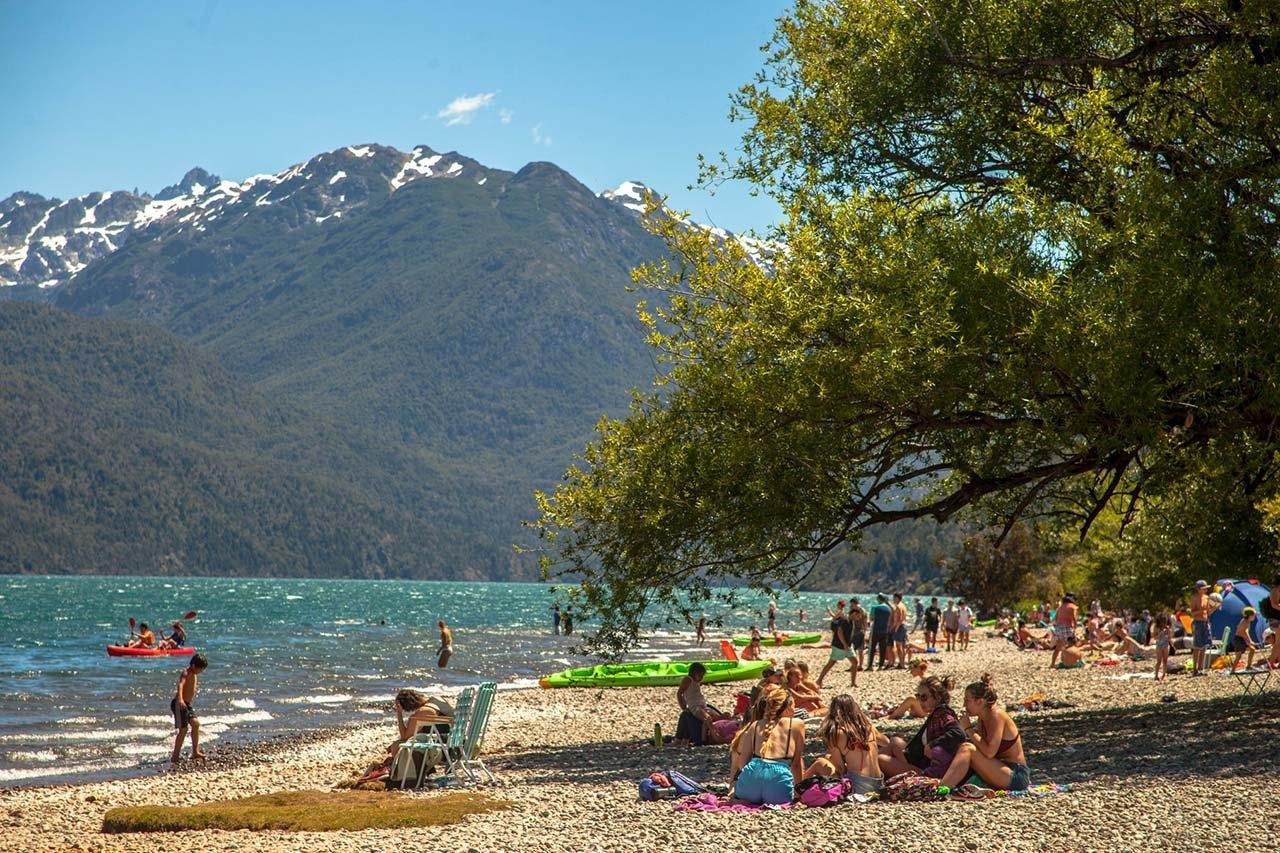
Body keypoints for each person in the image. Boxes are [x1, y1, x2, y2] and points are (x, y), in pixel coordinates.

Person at [938, 674, 1031, 791]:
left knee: (967, 749)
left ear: (980, 701)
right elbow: (981, 747)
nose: (964, 705)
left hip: (1015, 774)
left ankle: (941, 789)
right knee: (962, 747)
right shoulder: (982, 718)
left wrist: (968, 729)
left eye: (967, 700)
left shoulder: (997, 716)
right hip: (998, 768)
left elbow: (989, 752)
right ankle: (945, 784)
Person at [728, 685, 806, 805]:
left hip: (750, 783)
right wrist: (799, 794)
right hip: (777, 786)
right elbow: (796, 765)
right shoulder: (796, 724)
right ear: (788, 707)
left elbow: (742, 763)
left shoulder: (755, 725)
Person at [877, 675, 964, 778]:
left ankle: (866, 774)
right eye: (918, 696)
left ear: (937, 697)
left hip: (927, 771)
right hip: (919, 760)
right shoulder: (936, 714)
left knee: (880, 759)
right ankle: (866, 767)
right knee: (895, 742)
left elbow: (959, 733)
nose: (919, 701)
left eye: (924, 697)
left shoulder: (943, 715)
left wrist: (932, 745)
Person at [804, 694, 883, 797]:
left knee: (820, 762)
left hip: (858, 786)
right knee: (828, 758)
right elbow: (886, 742)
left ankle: (797, 789)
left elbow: (840, 768)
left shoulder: (836, 733)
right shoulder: (868, 728)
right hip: (879, 785)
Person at [389, 688, 455, 756]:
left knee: (397, 746)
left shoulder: (423, 711)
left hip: (446, 747)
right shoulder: (437, 699)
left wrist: (399, 713)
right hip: (454, 739)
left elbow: (405, 737)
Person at [676, 662, 728, 746]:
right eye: (700, 675)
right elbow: (680, 693)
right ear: (694, 673)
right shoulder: (688, 679)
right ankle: (703, 740)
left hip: (702, 706)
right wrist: (683, 707)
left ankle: (711, 734)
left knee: (719, 716)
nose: (701, 678)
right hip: (695, 707)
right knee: (707, 719)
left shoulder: (696, 682)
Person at [170, 652, 209, 764]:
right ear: (193, 666)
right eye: (200, 669)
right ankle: (175, 756)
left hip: (186, 704)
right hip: (179, 703)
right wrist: (181, 699)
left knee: (195, 724)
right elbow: (181, 685)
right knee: (183, 730)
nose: (201, 671)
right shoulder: (186, 672)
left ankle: (195, 751)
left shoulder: (194, 674)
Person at [816, 600, 856, 688]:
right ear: (853, 614)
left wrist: (849, 644)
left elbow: (834, 619)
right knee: (831, 663)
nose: (859, 617)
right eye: (858, 615)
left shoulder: (847, 617)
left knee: (855, 662)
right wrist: (845, 644)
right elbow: (839, 631)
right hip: (839, 646)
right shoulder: (845, 619)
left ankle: (853, 683)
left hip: (846, 646)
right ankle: (819, 680)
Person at [1189, 579, 1220, 676]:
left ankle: (1200, 668)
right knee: (1197, 646)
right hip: (1197, 623)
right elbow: (1193, 613)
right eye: (1204, 589)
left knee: (1204, 646)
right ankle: (1194, 669)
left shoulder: (1207, 598)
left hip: (1205, 622)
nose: (1205, 590)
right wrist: (1202, 611)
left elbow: (1208, 612)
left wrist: (1214, 608)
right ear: (1198, 589)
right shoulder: (1194, 598)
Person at [1049, 593, 1079, 669]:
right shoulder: (1073, 607)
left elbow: (1055, 619)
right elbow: (1074, 618)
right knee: (1072, 645)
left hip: (1059, 628)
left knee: (1058, 647)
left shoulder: (1060, 607)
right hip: (1067, 627)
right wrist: (1075, 627)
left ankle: (1052, 663)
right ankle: (1075, 661)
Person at [1231, 607, 1260, 671]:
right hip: (1238, 639)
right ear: (1250, 616)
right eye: (1254, 615)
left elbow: (1238, 628)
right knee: (1238, 656)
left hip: (1240, 639)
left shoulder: (1244, 620)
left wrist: (1247, 640)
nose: (1254, 617)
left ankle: (1248, 666)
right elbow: (1245, 631)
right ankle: (1233, 670)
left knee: (1252, 649)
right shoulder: (1246, 622)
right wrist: (1250, 641)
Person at [869, 594, 892, 670]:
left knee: (872, 648)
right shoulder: (889, 608)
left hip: (876, 630)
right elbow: (889, 620)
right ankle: (880, 666)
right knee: (882, 648)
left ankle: (870, 666)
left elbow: (871, 618)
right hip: (884, 630)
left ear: (878, 599)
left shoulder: (874, 607)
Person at [890, 592, 909, 669]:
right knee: (903, 646)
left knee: (898, 646)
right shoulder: (903, 605)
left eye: (894, 598)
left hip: (900, 627)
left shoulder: (898, 606)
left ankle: (901, 664)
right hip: (904, 626)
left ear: (897, 598)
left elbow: (899, 619)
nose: (893, 599)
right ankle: (902, 663)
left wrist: (894, 628)